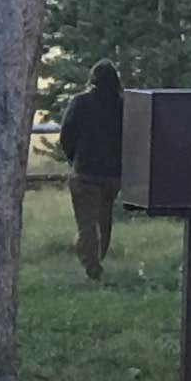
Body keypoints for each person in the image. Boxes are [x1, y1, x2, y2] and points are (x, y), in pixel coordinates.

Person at [59, 61, 126, 280]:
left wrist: (74, 158)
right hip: (113, 174)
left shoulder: (81, 102)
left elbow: (66, 134)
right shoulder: (122, 105)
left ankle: (91, 263)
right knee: (104, 219)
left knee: (86, 222)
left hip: (86, 171)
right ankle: (100, 257)